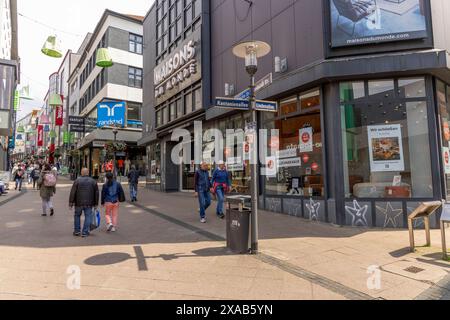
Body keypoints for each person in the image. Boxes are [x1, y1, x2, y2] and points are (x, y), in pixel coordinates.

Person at [69, 168, 99, 237]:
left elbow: (73, 192)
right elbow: (96, 193)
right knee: (88, 216)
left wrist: (71, 203)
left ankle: (77, 231)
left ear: (81, 173)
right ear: (88, 173)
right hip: (89, 203)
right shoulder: (93, 181)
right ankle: (85, 232)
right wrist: (96, 203)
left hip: (78, 203)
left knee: (77, 216)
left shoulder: (77, 181)